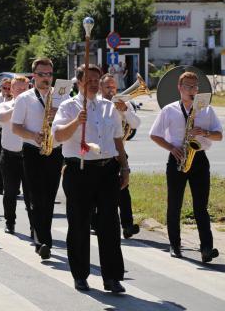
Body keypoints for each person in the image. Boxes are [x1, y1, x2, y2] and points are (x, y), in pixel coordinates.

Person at [52, 64, 129, 293]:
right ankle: (80, 274)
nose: (94, 84)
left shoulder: (108, 107)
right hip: (79, 170)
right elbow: (58, 136)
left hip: (107, 170)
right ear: (78, 82)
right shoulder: (68, 106)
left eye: (96, 80)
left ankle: (112, 277)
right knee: (79, 223)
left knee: (109, 224)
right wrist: (77, 121)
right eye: (89, 80)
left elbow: (117, 139)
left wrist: (124, 167)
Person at [150, 71, 223, 263]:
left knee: (201, 207)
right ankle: (175, 245)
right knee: (174, 204)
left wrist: (205, 132)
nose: (192, 90)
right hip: (178, 157)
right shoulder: (169, 110)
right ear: (179, 88)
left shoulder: (206, 110)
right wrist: (172, 148)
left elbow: (219, 135)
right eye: (188, 86)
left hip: (199, 159)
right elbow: (154, 134)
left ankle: (206, 248)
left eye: (195, 86)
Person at [12, 58, 69, 259]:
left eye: (49, 74)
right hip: (32, 150)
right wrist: (32, 135)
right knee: (36, 198)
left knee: (49, 198)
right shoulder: (24, 98)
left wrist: (60, 115)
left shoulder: (62, 97)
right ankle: (43, 240)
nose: (47, 78)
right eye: (42, 74)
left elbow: (72, 121)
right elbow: (15, 127)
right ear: (33, 76)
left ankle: (42, 236)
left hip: (54, 151)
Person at [99, 73, 141, 239]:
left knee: (123, 188)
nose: (111, 90)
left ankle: (128, 225)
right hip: (99, 153)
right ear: (101, 88)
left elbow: (136, 124)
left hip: (119, 151)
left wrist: (125, 111)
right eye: (108, 87)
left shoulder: (124, 103)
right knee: (99, 190)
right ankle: (97, 222)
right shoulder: (96, 102)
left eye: (113, 86)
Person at [0, 76, 30, 237]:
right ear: (12, 89)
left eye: (25, 89)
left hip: (29, 155)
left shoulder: (34, 106)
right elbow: (1, 118)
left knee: (31, 195)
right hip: (9, 156)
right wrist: (19, 106)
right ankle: (10, 221)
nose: (22, 91)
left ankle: (34, 227)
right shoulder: (4, 105)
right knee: (10, 192)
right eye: (18, 89)